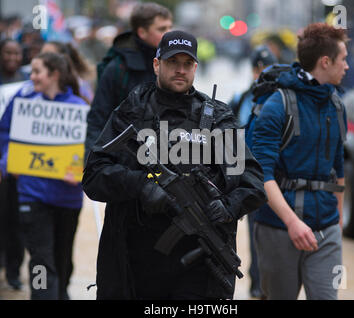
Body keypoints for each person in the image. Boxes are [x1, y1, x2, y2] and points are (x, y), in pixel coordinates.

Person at [82, 30, 267, 300]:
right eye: (172, 62)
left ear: (195, 67)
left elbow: (252, 181)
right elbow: (95, 176)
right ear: (157, 64)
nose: (180, 70)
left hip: (198, 266)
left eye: (187, 64)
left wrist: (229, 206)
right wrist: (141, 186)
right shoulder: (134, 110)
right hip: (135, 263)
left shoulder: (215, 117)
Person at [251, 22, 349, 300]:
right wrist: (292, 222)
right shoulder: (276, 106)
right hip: (279, 228)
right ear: (325, 61)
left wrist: (337, 222)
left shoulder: (337, 103)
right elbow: (262, 174)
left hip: (326, 228)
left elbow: (337, 165)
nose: (347, 66)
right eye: (343, 59)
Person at [0, 52, 88, 300]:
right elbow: (8, 136)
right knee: (40, 259)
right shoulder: (24, 101)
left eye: (37, 71)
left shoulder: (79, 108)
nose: (32, 77)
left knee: (61, 259)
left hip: (67, 198)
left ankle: (61, 293)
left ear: (54, 75)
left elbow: (90, 151)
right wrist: (7, 164)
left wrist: (82, 172)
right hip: (31, 193)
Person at [84, 2, 173, 159]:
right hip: (122, 162)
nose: (168, 34)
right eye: (161, 29)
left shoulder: (173, 65)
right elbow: (98, 119)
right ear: (142, 32)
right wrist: (92, 164)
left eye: (169, 27)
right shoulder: (117, 68)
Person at [229, 44, 276, 299]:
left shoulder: (282, 101)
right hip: (248, 179)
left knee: (272, 236)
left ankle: (268, 283)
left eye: (266, 68)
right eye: (259, 68)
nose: (262, 73)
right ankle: (258, 283)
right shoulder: (242, 98)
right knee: (254, 234)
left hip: (275, 180)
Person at [0, 38, 29, 291]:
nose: (12, 58)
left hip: (18, 163)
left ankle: (13, 270)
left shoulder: (28, 83)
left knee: (16, 220)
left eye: (16, 53)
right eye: (7, 53)